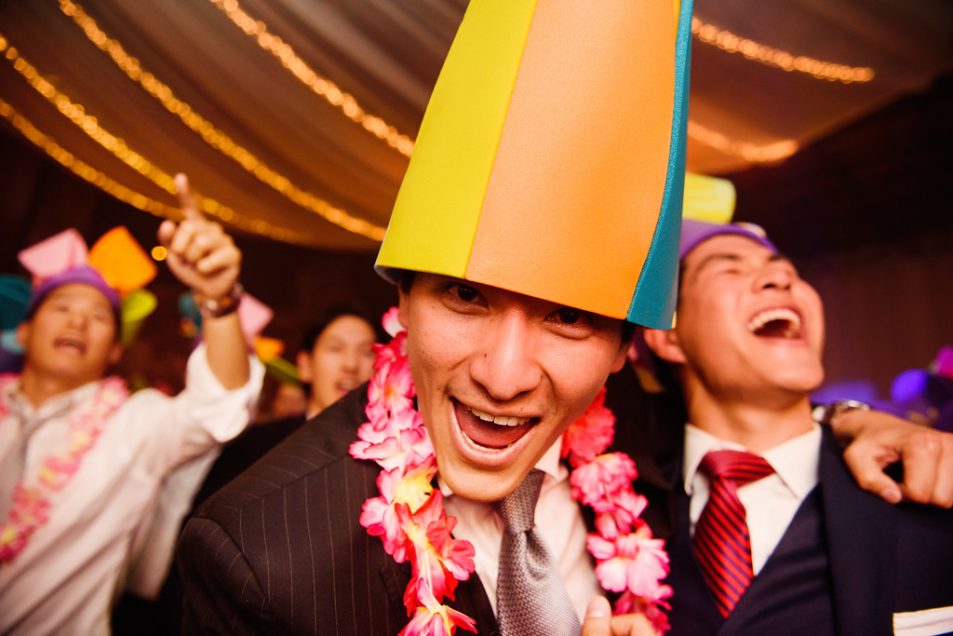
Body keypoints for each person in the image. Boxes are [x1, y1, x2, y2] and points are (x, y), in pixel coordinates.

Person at [176, 3, 952, 635]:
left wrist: (855, 420)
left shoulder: (648, 439)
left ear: (625, 349)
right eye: (465, 296)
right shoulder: (262, 557)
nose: (503, 376)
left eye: (569, 319)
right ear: (401, 300)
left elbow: (758, 427)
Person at [639, 219, 953, 635]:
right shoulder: (622, 500)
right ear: (668, 337)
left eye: (787, 269)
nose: (781, 277)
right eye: (730, 268)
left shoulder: (924, 482)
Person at [0, 174, 264, 635]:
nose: (78, 322)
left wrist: (218, 299)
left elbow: (218, 405)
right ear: (24, 331)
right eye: (62, 307)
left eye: (99, 315)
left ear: (116, 349)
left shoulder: (134, 424)